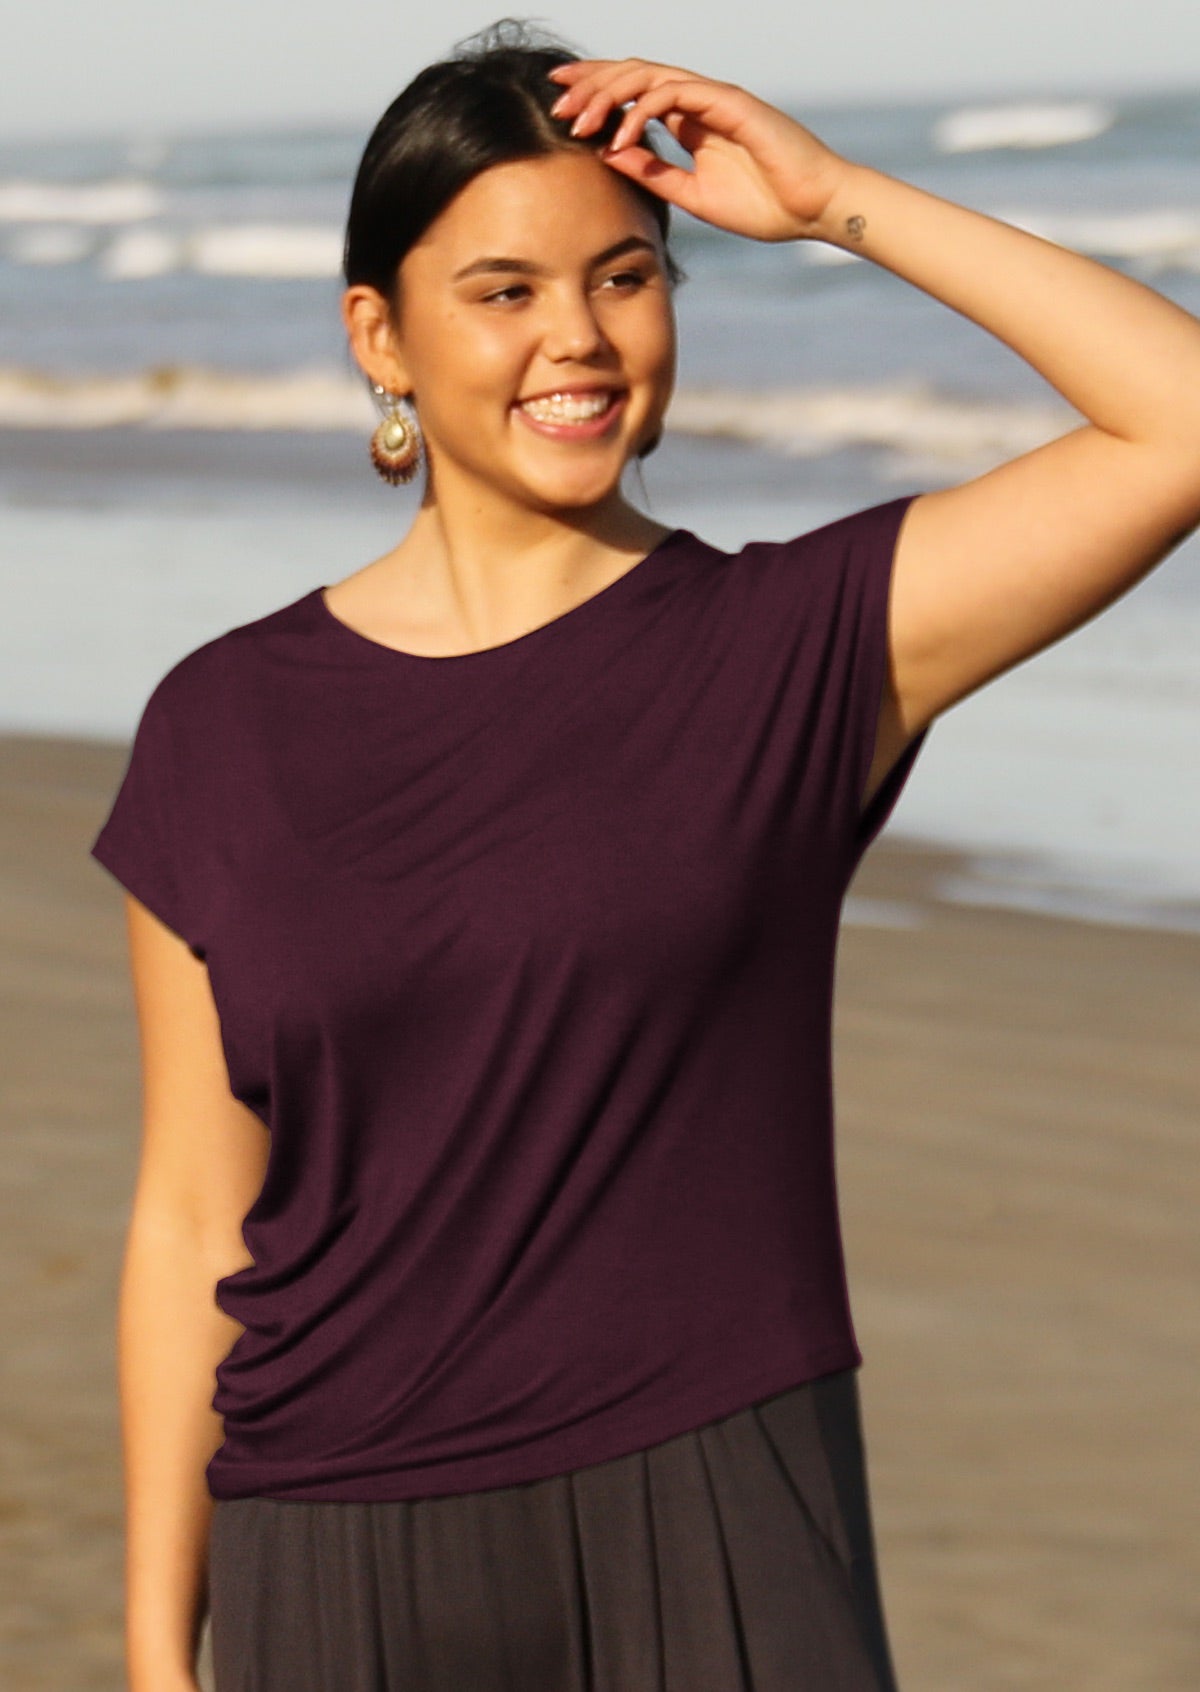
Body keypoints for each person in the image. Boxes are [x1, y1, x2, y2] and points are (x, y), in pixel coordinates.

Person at [88, 19, 1200, 1692]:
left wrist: (835, 202)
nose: (581, 340)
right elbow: (191, 1214)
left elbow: (1177, 423)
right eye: (506, 291)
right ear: (377, 338)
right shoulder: (219, 728)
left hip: (723, 1519)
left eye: (628, 275)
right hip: (331, 1545)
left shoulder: (798, 648)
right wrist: (156, 1651)